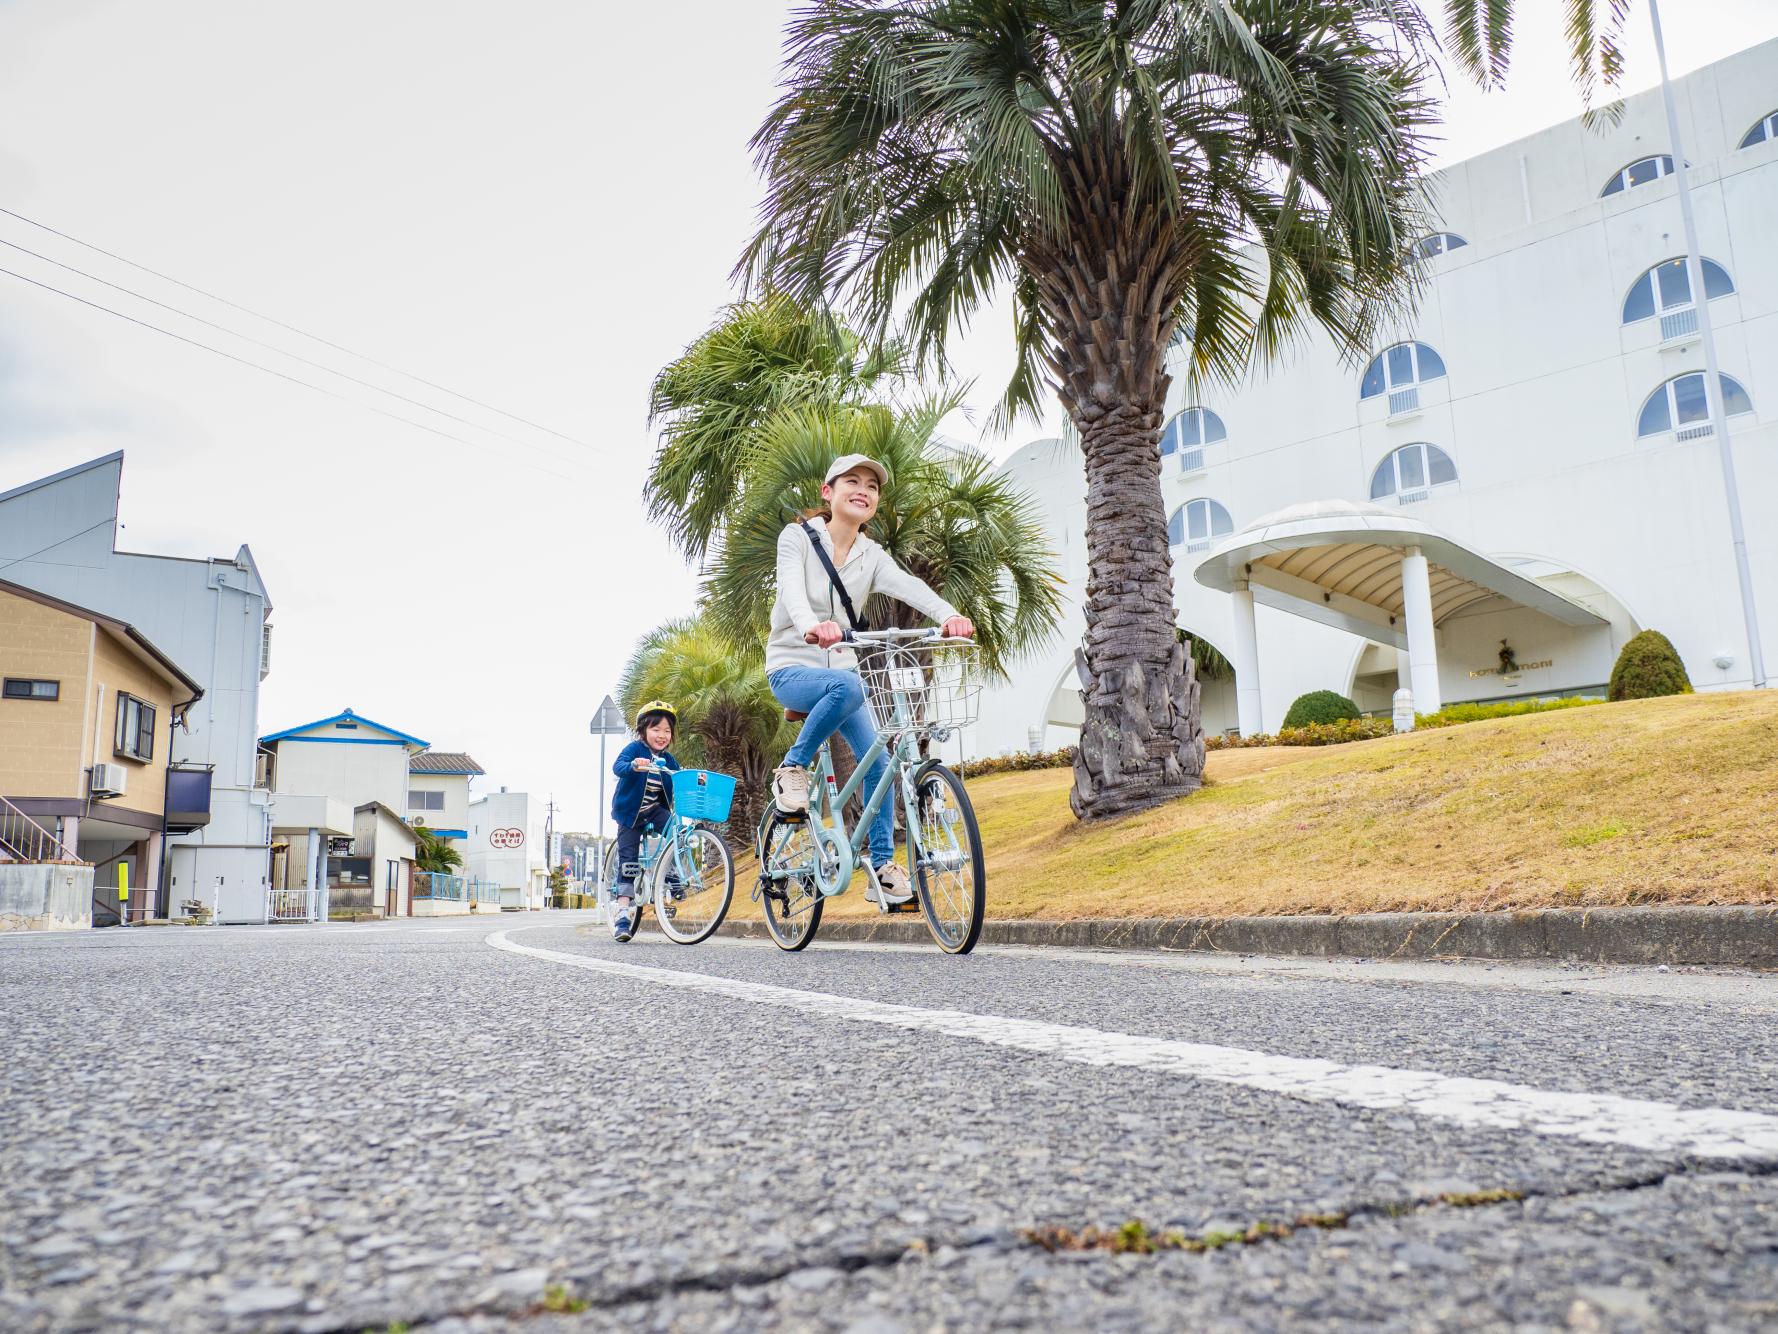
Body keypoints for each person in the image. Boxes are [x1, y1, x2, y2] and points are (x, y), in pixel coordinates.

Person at [766, 453, 974, 905]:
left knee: (878, 761)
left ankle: (881, 866)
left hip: (841, 668)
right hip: (792, 666)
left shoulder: (871, 554)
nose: (863, 490)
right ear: (829, 492)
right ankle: (793, 767)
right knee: (850, 686)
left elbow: (909, 587)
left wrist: (949, 614)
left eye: (873, 487)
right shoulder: (797, 538)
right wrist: (810, 626)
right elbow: (791, 590)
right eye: (852, 482)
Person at [608, 700, 681, 943]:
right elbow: (618, 767)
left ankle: (672, 874)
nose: (662, 735)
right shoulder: (635, 749)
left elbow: (679, 779)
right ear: (643, 731)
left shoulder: (668, 760)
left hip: (654, 810)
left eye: (667, 731)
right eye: (656, 729)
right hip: (629, 813)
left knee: (677, 834)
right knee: (628, 863)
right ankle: (622, 917)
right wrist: (633, 765)